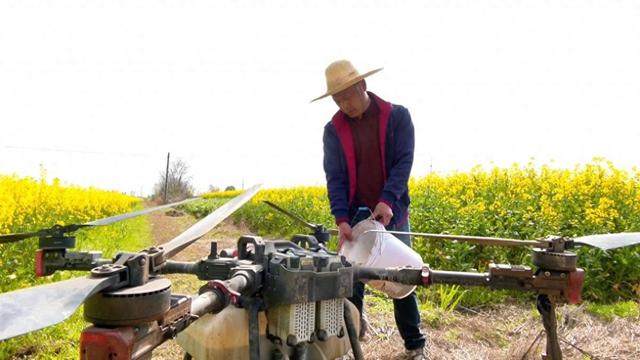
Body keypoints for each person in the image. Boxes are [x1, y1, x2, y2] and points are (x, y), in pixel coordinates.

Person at [312, 60, 427, 360]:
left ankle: (414, 345)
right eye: (337, 99)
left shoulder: (397, 117)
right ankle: (351, 345)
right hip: (354, 211)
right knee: (351, 281)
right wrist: (341, 219)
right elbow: (334, 178)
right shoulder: (333, 131)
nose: (343, 104)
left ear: (362, 85)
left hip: (393, 210)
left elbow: (404, 163)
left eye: (347, 95)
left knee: (403, 275)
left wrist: (388, 199)